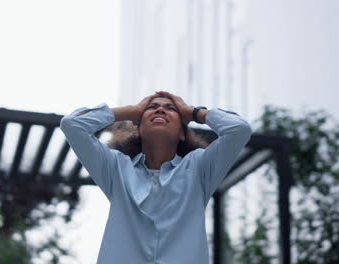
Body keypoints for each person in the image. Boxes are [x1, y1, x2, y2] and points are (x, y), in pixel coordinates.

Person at [59, 91, 252, 264]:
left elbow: (239, 129)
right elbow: (72, 125)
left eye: (171, 109)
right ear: (138, 128)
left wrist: (193, 112)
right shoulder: (116, 168)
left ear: (182, 133)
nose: (160, 110)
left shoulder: (199, 168)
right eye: (152, 108)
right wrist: (131, 111)